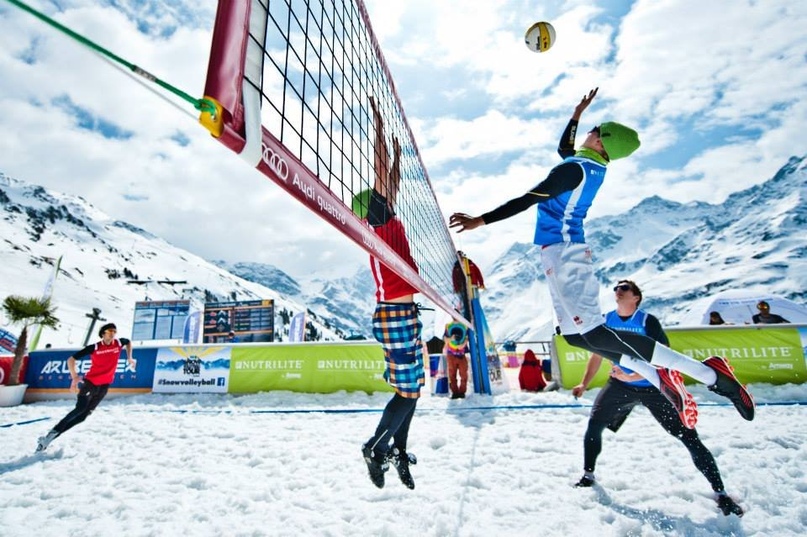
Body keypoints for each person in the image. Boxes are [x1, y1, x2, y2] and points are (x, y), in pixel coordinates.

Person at [449, 88, 755, 428]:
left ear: (600, 141)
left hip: (567, 255)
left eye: (595, 129)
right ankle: (661, 381)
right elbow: (564, 148)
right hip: (559, 253)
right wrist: (577, 114)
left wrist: (481, 220)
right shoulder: (588, 165)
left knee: (594, 333)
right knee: (576, 337)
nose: (589, 132)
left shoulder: (574, 171)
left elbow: (528, 198)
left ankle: (710, 376)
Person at [570, 280, 744, 516]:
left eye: (624, 288)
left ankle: (721, 493)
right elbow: (597, 355)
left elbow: (664, 357)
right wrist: (584, 383)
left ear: (636, 298)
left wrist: (632, 374)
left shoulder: (646, 321)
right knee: (594, 426)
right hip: (620, 385)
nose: (617, 291)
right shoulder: (605, 320)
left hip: (655, 386)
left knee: (688, 436)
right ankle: (588, 475)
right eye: (616, 288)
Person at [352, 96, 422, 490]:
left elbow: (389, 180)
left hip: (403, 317)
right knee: (408, 393)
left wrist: (397, 155)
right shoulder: (376, 223)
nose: (387, 195)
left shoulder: (386, 220)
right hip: (395, 317)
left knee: (410, 391)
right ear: (372, 207)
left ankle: (397, 450)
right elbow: (380, 172)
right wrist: (378, 127)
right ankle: (376, 448)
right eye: (380, 196)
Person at [36, 323, 136, 452]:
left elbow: (128, 342)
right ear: (103, 333)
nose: (113, 333)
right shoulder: (94, 347)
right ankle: (50, 435)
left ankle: (48, 440)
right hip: (90, 383)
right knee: (80, 409)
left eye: (115, 331)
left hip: (104, 386)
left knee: (82, 417)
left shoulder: (118, 343)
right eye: (110, 330)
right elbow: (71, 359)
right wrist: (75, 376)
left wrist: (130, 358)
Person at [443, 322, 470, 399]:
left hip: (461, 354)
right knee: (452, 374)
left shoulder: (465, 326)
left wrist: (462, 344)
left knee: (463, 374)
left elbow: (467, 338)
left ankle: (462, 392)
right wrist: (451, 338)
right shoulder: (448, 326)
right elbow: (445, 339)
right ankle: (455, 392)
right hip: (451, 354)